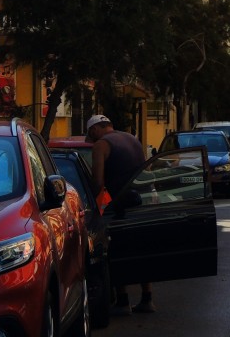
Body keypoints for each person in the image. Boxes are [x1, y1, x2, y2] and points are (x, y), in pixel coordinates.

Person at [86, 114, 154, 315]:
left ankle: (123, 300)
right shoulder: (133, 139)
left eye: (91, 136)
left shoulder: (101, 145)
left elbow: (97, 182)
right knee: (142, 251)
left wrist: (91, 202)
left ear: (94, 130)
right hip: (142, 202)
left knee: (116, 251)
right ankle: (147, 298)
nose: (92, 140)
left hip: (119, 206)